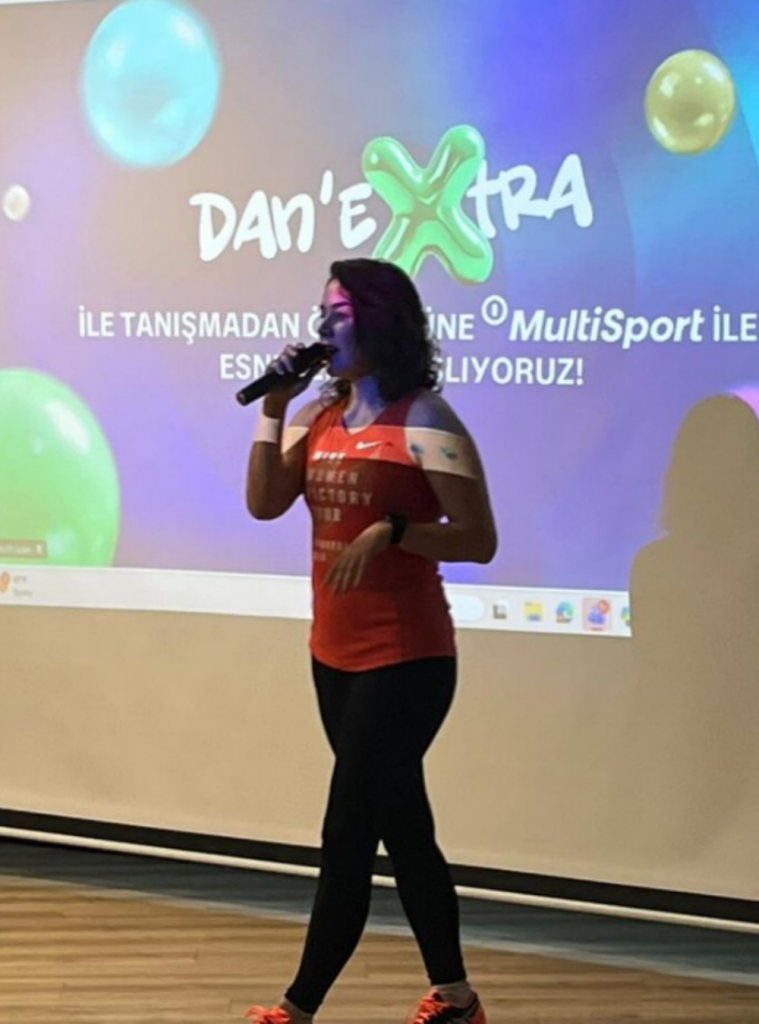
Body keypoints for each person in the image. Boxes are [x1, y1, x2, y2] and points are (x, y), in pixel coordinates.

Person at [244, 258, 497, 1024]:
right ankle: (456, 997)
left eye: (341, 312)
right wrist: (273, 408)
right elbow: (264, 504)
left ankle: (297, 1008)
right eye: (323, 311)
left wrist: (392, 529)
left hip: (407, 658)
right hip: (333, 655)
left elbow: (477, 538)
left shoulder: (426, 421)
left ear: (381, 322)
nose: (323, 325)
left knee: (347, 832)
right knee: (403, 828)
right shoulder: (319, 416)